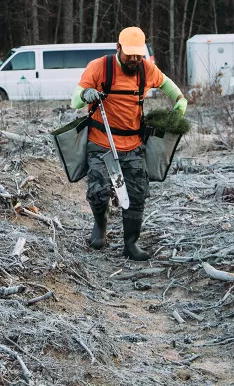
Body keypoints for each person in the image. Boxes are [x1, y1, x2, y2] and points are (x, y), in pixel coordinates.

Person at [71, 27, 188, 261]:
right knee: (98, 191)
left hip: (133, 144)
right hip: (101, 142)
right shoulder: (99, 67)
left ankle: (131, 243)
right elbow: (75, 100)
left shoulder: (146, 69)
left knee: (136, 193)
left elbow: (168, 85)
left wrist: (180, 101)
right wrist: (87, 95)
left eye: (138, 55)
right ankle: (99, 226)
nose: (134, 59)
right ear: (118, 48)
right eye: (129, 55)